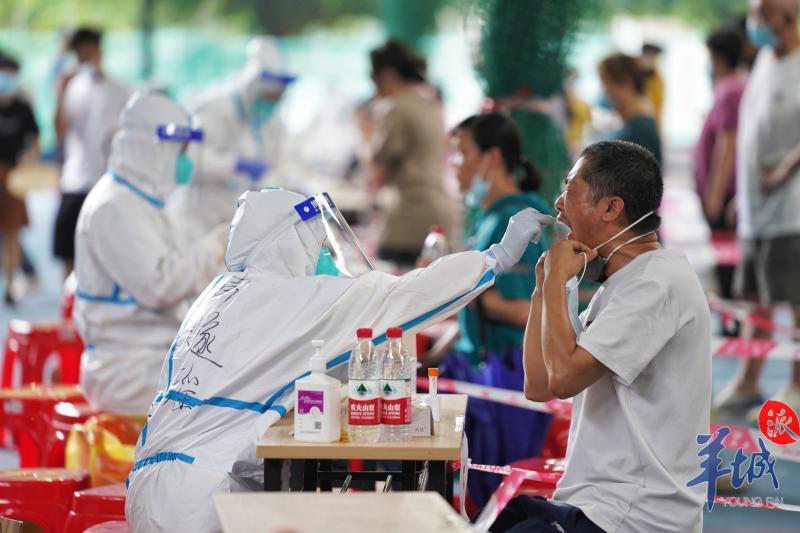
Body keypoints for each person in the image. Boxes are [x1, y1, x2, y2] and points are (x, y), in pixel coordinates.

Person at [125, 187, 551, 533]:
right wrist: (495, 258)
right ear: (287, 242)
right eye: (317, 245)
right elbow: (405, 296)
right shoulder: (291, 297)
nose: (323, 256)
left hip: (146, 490)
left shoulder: (219, 292)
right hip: (202, 503)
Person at [493, 141, 711, 532]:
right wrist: (544, 287)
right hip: (597, 504)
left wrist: (560, 280)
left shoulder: (656, 283)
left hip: (633, 515)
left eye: (570, 190)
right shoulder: (625, 281)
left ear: (611, 208)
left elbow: (563, 379)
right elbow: (538, 384)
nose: (558, 204)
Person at [73, 91, 228, 415]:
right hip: (128, 370)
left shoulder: (144, 202)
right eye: (180, 150)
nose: (186, 160)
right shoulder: (113, 208)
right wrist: (216, 245)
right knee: (230, 405)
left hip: (154, 355)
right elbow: (158, 286)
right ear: (152, 149)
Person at [444, 112, 553, 507]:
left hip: (504, 377)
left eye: (462, 153)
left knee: (498, 495)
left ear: (491, 159)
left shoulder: (510, 220)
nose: (455, 164)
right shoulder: (500, 216)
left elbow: (522, 306)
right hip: (497, 370)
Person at [716, 0, 800, 419]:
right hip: (756, 210)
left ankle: (796, 387)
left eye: (762, 15)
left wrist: (784, 169)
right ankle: (748, 383)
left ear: (787, 18)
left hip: (791, 212)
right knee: (754, 301)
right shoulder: (765, 60)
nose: (755, 24)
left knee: (795, 304)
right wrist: (742, 196)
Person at [170, 36, 296, 245]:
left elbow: (279, 162)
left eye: (276, 98)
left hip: (238, 222)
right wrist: (235, 165)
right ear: (254, 86)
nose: (271, 103)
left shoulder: (269, 119)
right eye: (268, 96)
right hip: (201, 222)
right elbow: (192, 159)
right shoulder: (214, 108)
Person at [369, 38, 456, 266]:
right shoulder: (428, 102)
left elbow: (378, 161)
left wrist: (363, 128)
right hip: (440, 212)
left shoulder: (396, 107)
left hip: (410, 218)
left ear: (387, 75)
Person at [53, 27, 130, 276]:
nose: (86, 58)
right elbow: (60, 133)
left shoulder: (119, 89)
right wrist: (60, 92)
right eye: (80, 53)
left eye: (90, 51)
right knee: (68, 250)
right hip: (75, 180)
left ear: (99, 52)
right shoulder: (71, 86)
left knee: (107, 250)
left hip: (107, 180)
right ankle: (68, 306)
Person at [693, 26, 747, 300]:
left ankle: (733, 318)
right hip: (723, 191)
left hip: (724, 193)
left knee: (727, 260)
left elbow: (728, 145)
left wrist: (715, 193)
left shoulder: (730, 90)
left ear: (719, 57)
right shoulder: (732, 87)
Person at [0, 52, 39, 306]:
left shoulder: (23, 107)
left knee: (12, 233)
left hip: (14, 176)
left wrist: (29, 158)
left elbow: (35, 138)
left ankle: (11, 282)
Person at [597, 53, 662, 166]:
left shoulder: (638, 129)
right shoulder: (635, 122)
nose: (604, 92)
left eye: (606, 82)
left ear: (626, 82)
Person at [640, 42, 665, 131]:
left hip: (654, 126)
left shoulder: (658, 79)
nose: (653, 60)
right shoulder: (636, 78)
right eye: (650, 56)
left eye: (655, 57)